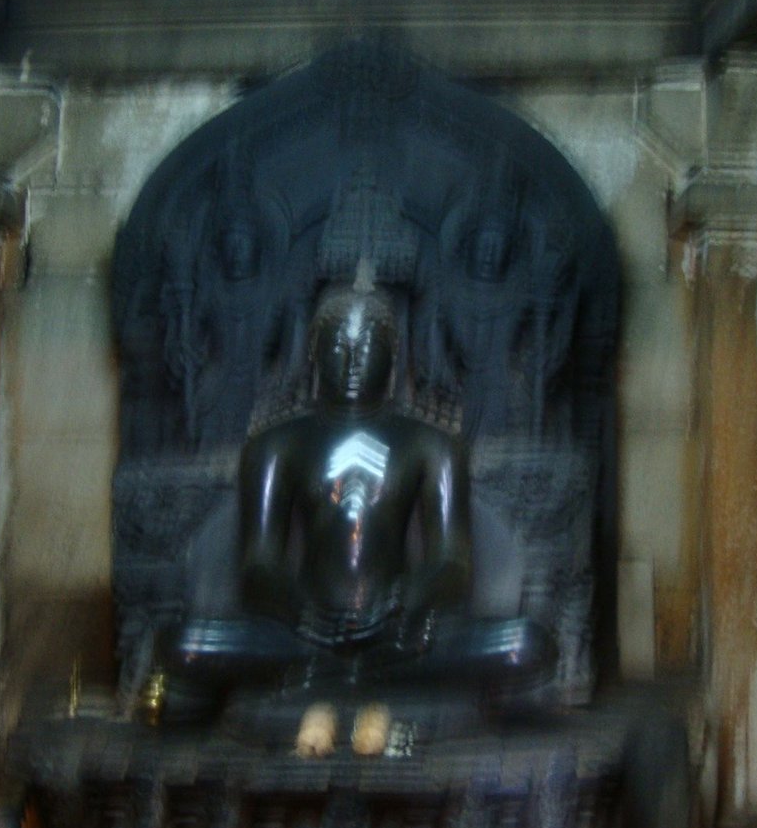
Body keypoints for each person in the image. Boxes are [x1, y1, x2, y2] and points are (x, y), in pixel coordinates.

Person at [153, 265, 555, 750]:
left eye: (367, 345)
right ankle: (323, 671)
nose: (352, 359)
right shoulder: (277, 445)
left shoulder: (431, 445)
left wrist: (403, 605)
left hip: (404, 638)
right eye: (338, 344)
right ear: (315, 352)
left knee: (524, 646)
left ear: (392, 354)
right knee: (188, 646)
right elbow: (259, 561)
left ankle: (368, 673)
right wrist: (303, 613)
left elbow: (452, 559)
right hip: (303, 637)